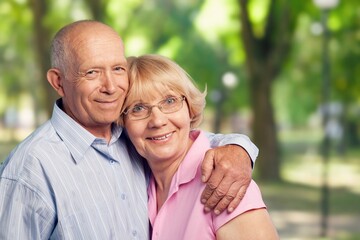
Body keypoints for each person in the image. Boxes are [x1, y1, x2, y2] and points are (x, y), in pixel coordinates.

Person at [0, 20, 258, 239]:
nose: (110, 86)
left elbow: (186, 140)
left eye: (118, 69)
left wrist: (239, 149)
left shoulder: (133, 138)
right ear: (58, 81)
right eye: (92, 72)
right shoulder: (29, 170)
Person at [119, 54, 279, 240]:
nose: (157, 120)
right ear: (122, 122)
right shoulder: (137, 183)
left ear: (189, 108)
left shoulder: (225, 182)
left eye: (169, 101)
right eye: (138, 108)